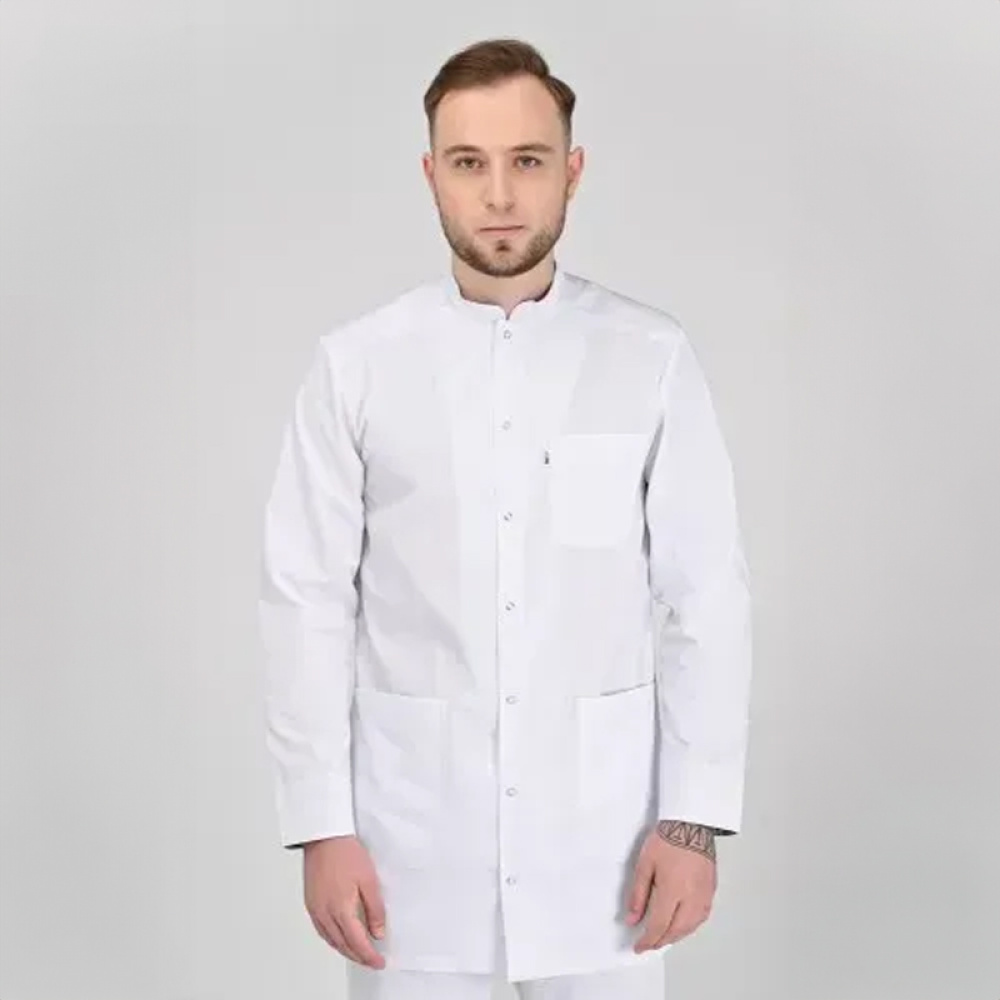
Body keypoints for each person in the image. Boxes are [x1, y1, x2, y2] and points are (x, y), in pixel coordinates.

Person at [257, 36, 753, 1000]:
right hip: (410, 854)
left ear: (572, 169)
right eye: (467, 162)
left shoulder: (649, 356)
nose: (498, 195)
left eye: (527, 160)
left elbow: (706, 596)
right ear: (430, 175)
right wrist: (321, 826)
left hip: (608, 852)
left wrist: (691, 824)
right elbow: (304, 599)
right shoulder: (357, 365)